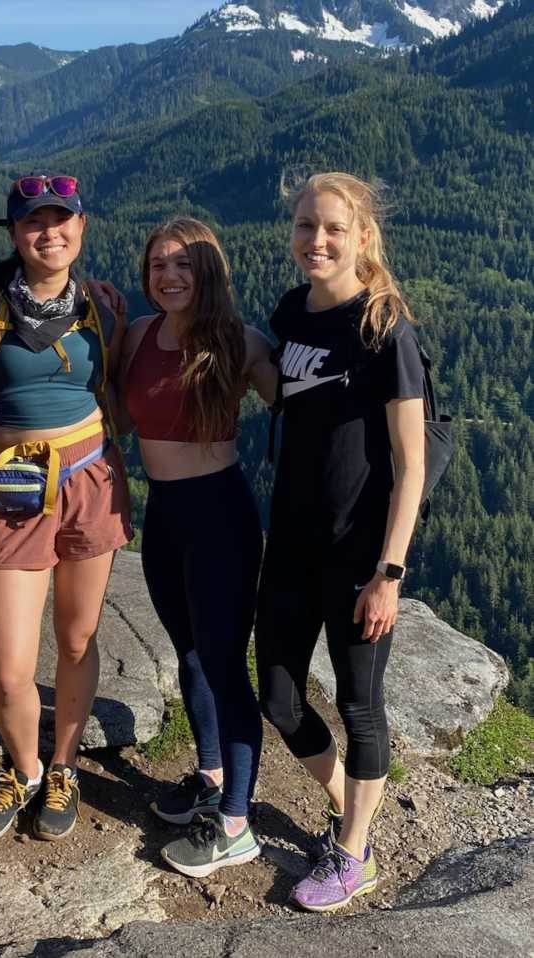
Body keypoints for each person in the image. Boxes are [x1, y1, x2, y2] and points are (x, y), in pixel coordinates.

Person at [0, 172, 131, 843]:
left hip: (91, 478)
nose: (48, 233)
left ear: (81, 228)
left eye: (62, 220)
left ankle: (62, 767)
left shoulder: (103, 310)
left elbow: (140, 383)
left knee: (77, 638)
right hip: (18, 488)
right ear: (15, 234)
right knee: (12, 665)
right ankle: (22, 768)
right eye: (33, 222)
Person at [256, 172, 426, 911]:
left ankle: (354, 852)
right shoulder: (294, 311)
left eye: (331, 228)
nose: (315, 241)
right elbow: (285, 394)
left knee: (361, 704)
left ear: (362, 236)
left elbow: (412, 462)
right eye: (304, 226)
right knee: (280, 697)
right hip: (292, 541)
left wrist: (389, 571)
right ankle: (349, 801)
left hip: (359, 552)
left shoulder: (385, 327)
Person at [119, 217, 276, 877]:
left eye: (184, 264)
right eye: (159, 264)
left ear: (208, 270)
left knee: (222, 661)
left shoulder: (238, 343)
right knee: (187, 652)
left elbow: (306, 410)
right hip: (165, 515)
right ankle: (210, 777)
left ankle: (237, 823)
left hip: (220, 514)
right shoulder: (136, 335)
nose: (170, 275)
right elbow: (113, 414)